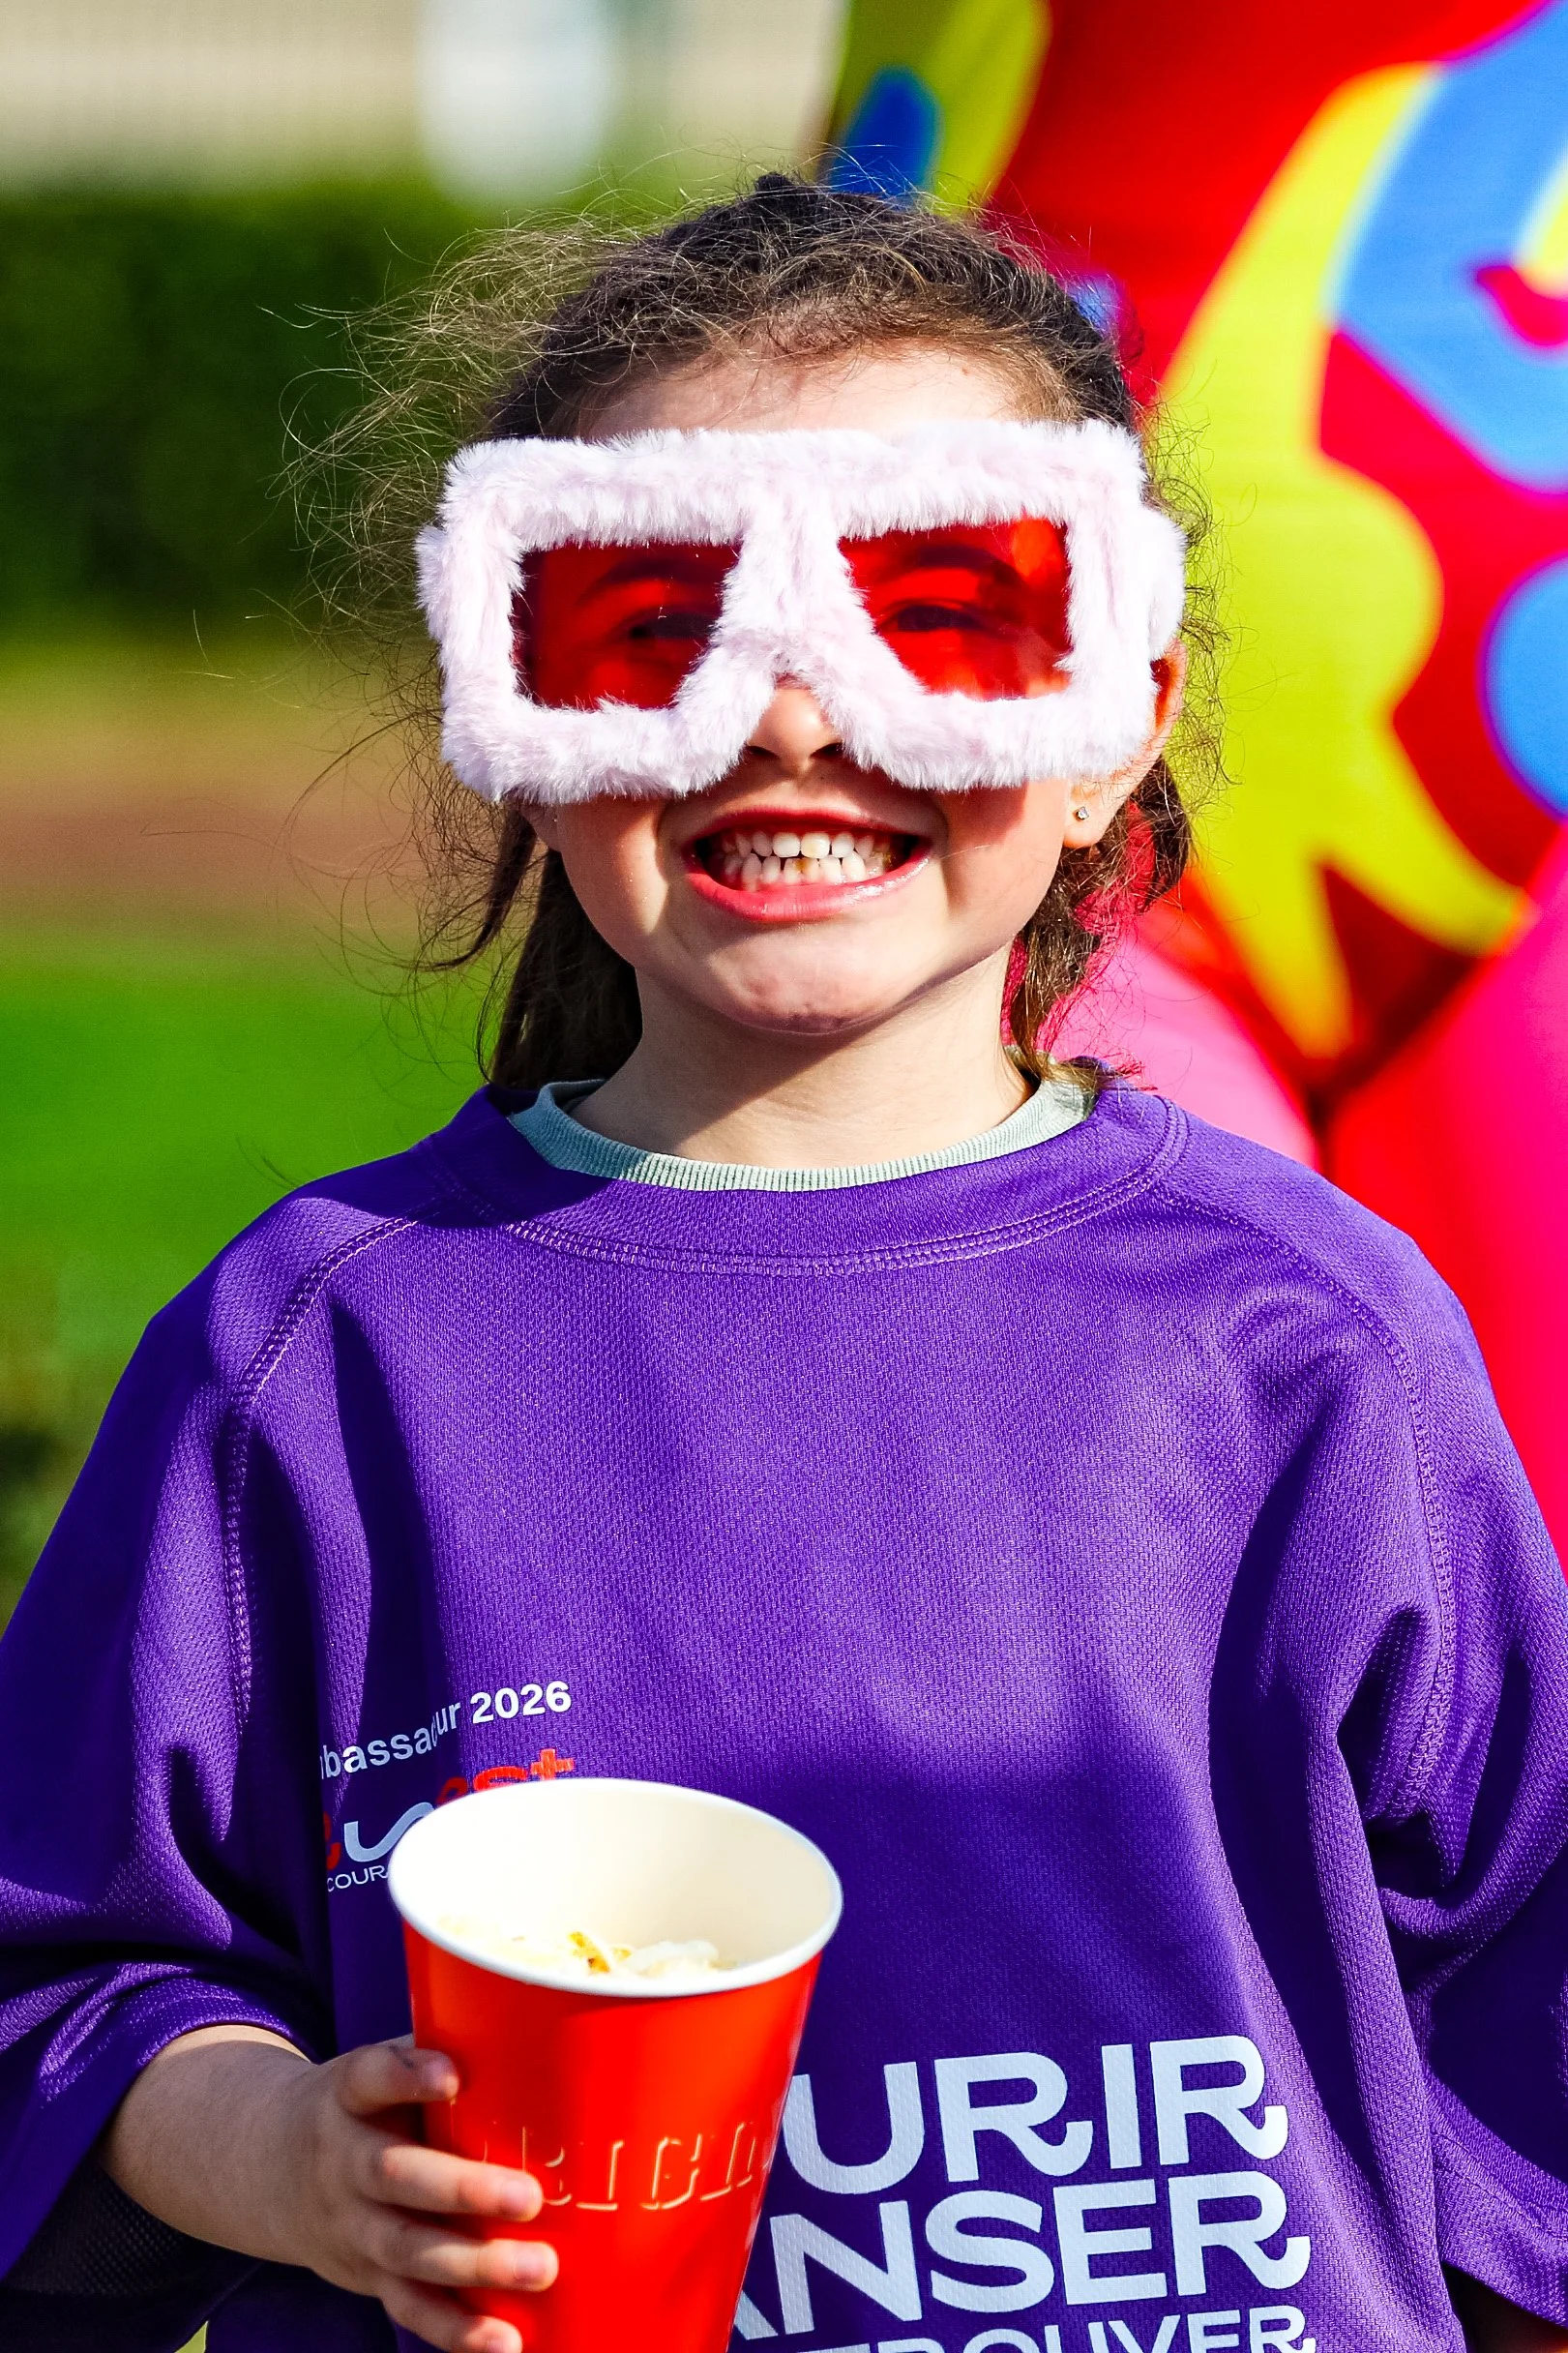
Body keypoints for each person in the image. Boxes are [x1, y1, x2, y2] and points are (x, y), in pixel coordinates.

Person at [1, 176, 1565, 2353]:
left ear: (1115, 714)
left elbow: (1521, 2050)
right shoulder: (322, 1353)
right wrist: (287, 2155)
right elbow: (62, 1983)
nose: (794, 718)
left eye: (941, 613)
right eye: (658, 625)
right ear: (511, 698)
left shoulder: (1310, 1335)